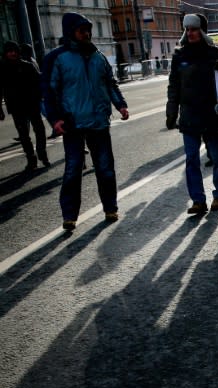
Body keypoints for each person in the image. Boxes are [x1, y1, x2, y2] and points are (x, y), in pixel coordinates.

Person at [41, 12, 129, 231]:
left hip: (99, 122)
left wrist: (121, 105)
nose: (87, 33)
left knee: (105, 168)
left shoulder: (97, 56)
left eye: (88, 29)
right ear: (71, 31)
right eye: (82, 30)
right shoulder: (57, 58)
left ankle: (110, 208)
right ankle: (69, 216)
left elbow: (110, 84)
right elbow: (48, 93)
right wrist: (55, 119)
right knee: (73, 170)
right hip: (73, 124)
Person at [166, 13, 218, 215]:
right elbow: (174, 85)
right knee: (191, 159)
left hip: (211, 113)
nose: (190, 33)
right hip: (189, 114)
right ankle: (198, 200)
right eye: (188, 29)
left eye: (194, 29)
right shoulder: (179, 55)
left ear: (202, 31)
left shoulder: (215, 53)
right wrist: (171, 111)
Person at [0, 41, 50, 172]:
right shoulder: (2, 68)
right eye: (9, 51)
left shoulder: (27, 66)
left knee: (39, 129)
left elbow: (38, 83)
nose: (12, 53)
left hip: (32, 103)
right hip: (16, 106)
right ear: (5, 53)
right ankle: (31, 158)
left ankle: (41, 151)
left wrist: (41, 97)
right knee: (23, 134)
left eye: (14, 50)